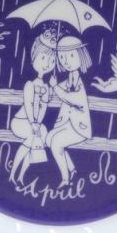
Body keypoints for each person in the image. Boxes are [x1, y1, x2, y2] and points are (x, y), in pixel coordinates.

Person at [9, 32, 56, 184]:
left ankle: (20, 176)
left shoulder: (46, 87)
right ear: (34, 57)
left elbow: (43, 107)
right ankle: (13, 173)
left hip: (36, 123)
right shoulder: (29, 84)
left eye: (51, 60)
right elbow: (29, 105)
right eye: (43, 58)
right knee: (33, 137)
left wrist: (52, 89)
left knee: (39, 136)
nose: (47, 63)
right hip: (21, 121)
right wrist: (33, 123)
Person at [46, 35, 92, 188]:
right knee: (49, 138)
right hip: (68, 124)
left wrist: (55, 87)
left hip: (79, 128)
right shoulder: (70, 78)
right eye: (62, 57)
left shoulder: (81, 82)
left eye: (71, 55)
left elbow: (72, 98)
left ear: (81, 55)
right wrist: (51, 88)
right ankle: (72, 170)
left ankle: (65, 179)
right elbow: (59, 90)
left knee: (56, 143)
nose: (66, 61)